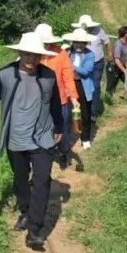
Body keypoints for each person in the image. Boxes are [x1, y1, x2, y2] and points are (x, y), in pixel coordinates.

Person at [0, 32, 62, 250]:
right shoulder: (5, 74)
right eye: (27, 54)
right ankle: (25, 212)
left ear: (40, 56)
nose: (31, 59)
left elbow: (55, 105)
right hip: (16, 138)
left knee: (43, 179)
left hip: (43, 137)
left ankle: (34, 231)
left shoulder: (49, 76)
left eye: (35, 55)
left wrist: (60, 128)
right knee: (21, 180)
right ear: (19, 52)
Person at [35, 23, 80, 168]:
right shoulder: (32, 55)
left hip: (60, 100)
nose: (47, 45)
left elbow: (68, 77)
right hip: (38, 102)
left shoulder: (61, 54)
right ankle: (43, 156)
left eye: (49, 42)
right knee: (41, 130)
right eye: (44, 42)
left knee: (62, 129)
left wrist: (73, 97)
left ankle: (63, 153)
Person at [63, 28, 96, 149]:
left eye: (82, 42)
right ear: (73, 42)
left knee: (85, 113)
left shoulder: (90, 54)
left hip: (83, 85)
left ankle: (86, 138)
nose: (79, 45)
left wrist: (70, 65)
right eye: (76, 42)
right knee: (67, 112)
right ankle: (68, 136)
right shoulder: (67, 53)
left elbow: (86, 71)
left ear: (85, 43)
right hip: (69, 84)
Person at [72, 14, 111, 117]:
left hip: (97, 63)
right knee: (82, 85)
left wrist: (109, 54)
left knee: (95, 86)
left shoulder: (99, 31)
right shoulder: (78, 33)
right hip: (82, 64)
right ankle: (81, 111)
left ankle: (93, 112)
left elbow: (107, 42)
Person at [107, 26, 127, 100]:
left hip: (121, 65)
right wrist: (124, 70)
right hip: (114, 67)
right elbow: (117, 60)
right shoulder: (118, 45)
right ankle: (107, 101)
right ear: (125, 34)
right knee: (111, 87)